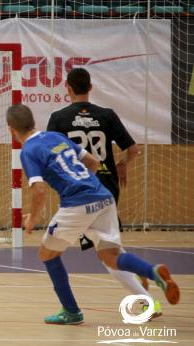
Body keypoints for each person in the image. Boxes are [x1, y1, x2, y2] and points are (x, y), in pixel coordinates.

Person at [7, 104, 179, 325]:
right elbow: (93, 162)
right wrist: (86, 185)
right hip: (103, 196)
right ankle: (153, 272)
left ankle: (71, 312)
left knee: (47, 254)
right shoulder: (55, 137)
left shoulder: (29, 150)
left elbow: (38, 190)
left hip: (77, 204)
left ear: (11, 129)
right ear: (33, 122)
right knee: (112, 257)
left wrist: (32, 218)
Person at [45, 68, 161, 317]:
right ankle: (141, 280)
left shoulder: (58, 118)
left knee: (104, 251)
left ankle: (144, 291)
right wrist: (121, 165)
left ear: (67, 87)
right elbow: (133, 149)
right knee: (106, 247)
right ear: (90, 87)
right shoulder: (106, 115)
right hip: (107, 186)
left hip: (81, 190)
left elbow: (53, 156)